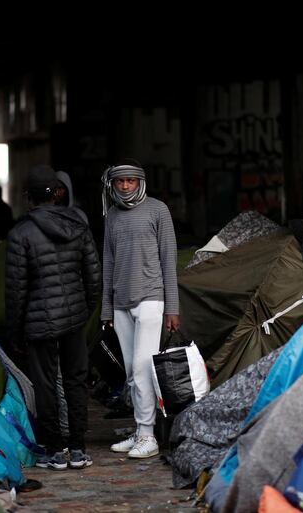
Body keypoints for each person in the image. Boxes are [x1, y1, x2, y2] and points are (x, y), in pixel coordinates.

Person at [5, 164, 101, 470]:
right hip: (74, 318)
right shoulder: (79, 224)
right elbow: (94, 277)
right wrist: (83, 310)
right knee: (76, 380)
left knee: (45, 384)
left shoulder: (21, 233)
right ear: (58, 193)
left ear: (28, 197)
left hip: (38, 323)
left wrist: (16, 333)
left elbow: (16, 290)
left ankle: (56, 451)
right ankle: (79, 447)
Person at [101, 159, 180, 460]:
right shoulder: (112, 217)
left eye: (131, 181)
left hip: (151, 298)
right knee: (132, 373)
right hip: (120, 301)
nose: (125, 186)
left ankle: (148, 436)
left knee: (143, 369)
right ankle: (140, 429)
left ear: (140, 182)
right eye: (120, 182)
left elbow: (168, 262)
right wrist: (106, 309)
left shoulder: (158, 210)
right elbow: (108, 262)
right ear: (113, 184)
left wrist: (171, 306)